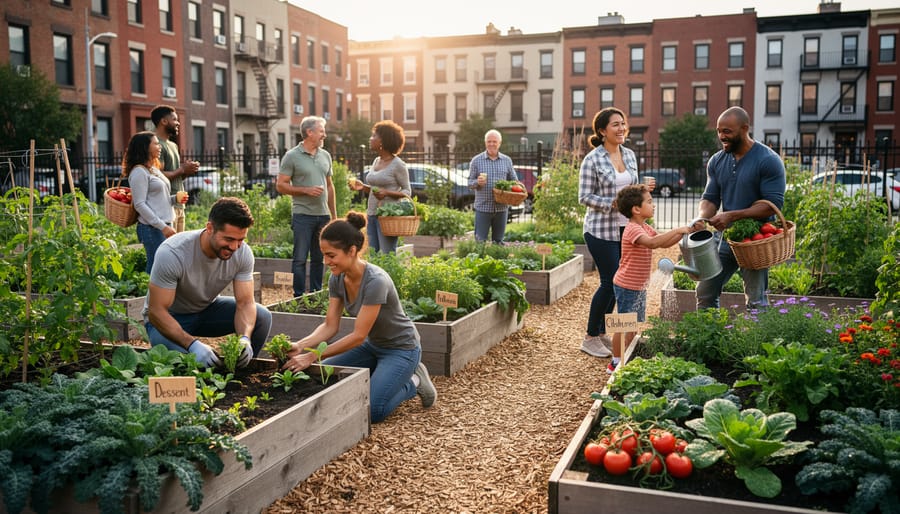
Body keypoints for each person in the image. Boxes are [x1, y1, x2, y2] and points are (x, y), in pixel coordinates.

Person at [282, 212, 437, 423]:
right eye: (324, 254)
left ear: (352, 251)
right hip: (372, 347)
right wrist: (301, 346)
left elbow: (357, 335)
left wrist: (312, 356)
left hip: (401, 349)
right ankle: (382, 373)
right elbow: (330, 326)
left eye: (331, 255)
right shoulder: (337, 279)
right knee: (322, 375)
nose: (326, 261)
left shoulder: (376, 281)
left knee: (372, 410)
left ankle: (415, 380)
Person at [144, 197, 273, 368]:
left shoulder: (242, 254)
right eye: (228, 239)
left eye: (240, 240)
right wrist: (192, 344)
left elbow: (245, 303)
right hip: (169, 319)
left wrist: (245, 338)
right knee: (187, 363)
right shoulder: (173, 253)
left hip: (206, 311)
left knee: (262, 316)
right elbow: (156, 311)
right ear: (210, 228)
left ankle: (243, 371)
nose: (235, 247)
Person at [695, 106, 786, 310]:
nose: (721, 136)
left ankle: (757, 341)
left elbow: (772, 205)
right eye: (719, 131)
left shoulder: (768, 160)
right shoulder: (717, 161)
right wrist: (701, 218)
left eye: (727, 131)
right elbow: (710, 198)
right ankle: (709, 339)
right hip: (727, 238)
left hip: (756, 240)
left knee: (756, 301)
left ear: (745, 128)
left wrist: (732, 216)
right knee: (705, 291)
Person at [578, 107, 646, 359]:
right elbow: (584, 196)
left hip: (624, 229)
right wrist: (611, 204)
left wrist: (641, 191)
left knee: (619, 282)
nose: (621, 129)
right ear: (602, 131)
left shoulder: (629, 155)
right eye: (615, 125)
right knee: (609, 281)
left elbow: (631, 189)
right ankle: (590, 337)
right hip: (599, 230)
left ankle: (602, 332)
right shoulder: (592, 159)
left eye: (623, 123)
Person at [608, 184, 692, 373]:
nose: (653, 205)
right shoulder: (632, 229)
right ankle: (615, 362)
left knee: (633, 324)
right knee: (625, 324)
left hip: (637, 286)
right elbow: (653, 243)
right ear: (636, 209)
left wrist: (680, 233)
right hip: (627, 285)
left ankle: (623, 357)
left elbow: (663, 242)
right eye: (649, 202)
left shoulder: (644, 226)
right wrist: (679, 229)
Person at [277, 116, 337, 296]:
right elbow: (280, 185)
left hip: (323, 216)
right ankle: (298, 297)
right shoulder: (292, 156)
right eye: (321, 131)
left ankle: (316, 293)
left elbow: (329, 186)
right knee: (300, 259)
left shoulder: (325, 155)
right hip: (303, 215)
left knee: (320, 258)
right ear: (309, 132)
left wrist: (333, 215)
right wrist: (306, 190)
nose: (324, 135)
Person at [124, 131, 189, 274]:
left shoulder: (154, 169)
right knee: (156, 267)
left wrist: (175, 199)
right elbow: (140, 204)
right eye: (156, 143)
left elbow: (161, 199)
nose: (159, 147)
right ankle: (150, 296)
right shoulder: (139, 173)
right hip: (151, 228)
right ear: (145, 147)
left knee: (166, 266)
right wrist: (162, 227)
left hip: (164, 224)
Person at [349, 120, 411, 253]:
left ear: (383, 140)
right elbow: (375, 189)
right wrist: (363, 187)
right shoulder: (376, 161)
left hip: (387, 216)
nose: (370, 139)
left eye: (374, 136)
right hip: (371, 214)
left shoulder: (398, 164)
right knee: (373, 254)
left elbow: (407, 191)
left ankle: (390, 275)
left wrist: (387, 193)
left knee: (387, 255)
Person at [151, 105, 199, 233]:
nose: (178, 123)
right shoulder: (157, 145)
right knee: (169, 247)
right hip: (166, 205)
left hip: (180, 204)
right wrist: (182, 169)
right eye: (174, 119)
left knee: (179, 246)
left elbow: (176, 174)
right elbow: (157, 175)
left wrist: (187, 171)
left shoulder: (173, 145)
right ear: (164, 121)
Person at [467, 129, 518, 244]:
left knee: (498, 242)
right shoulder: (476, 161)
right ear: (485, 143)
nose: (491, 144)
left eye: (494, 141)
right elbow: (469, 183)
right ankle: (479, 261)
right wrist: (477, 183)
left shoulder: (506, 160)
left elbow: (514, 181)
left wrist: (513, 188)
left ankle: (498, 261)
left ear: (499, 143)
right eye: (489, 141)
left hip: (501, 208)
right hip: (483, 208)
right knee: (480, 242)